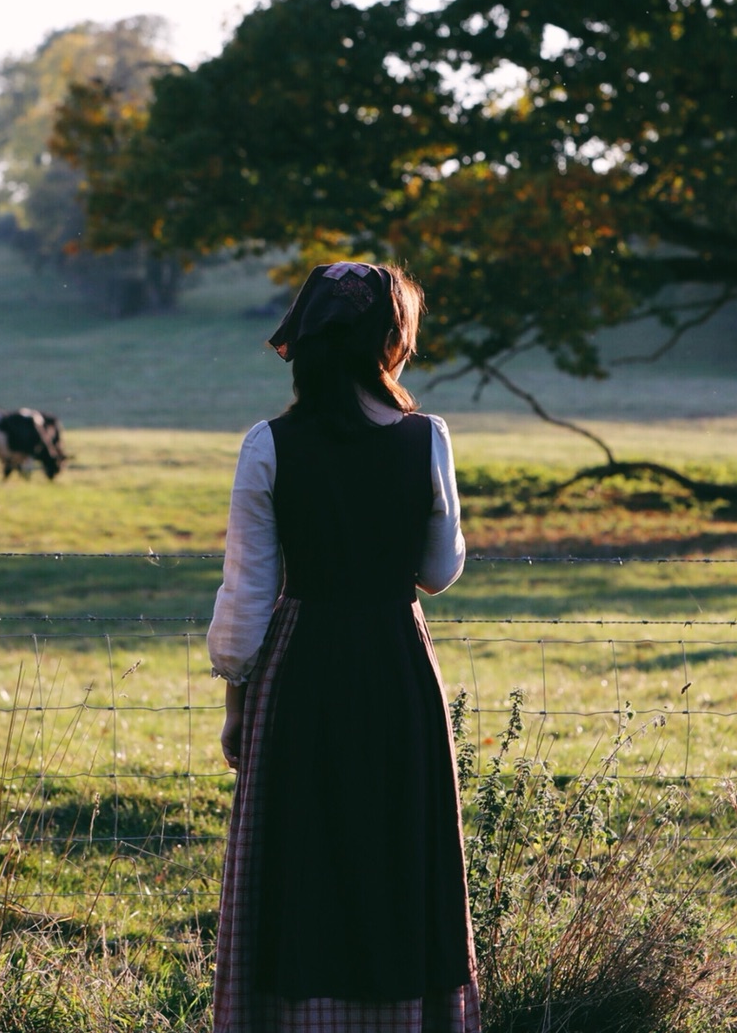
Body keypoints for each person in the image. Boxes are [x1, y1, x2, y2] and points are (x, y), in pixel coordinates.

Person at [208, 261, 479, 1033]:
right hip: (396, 663)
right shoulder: (427, 439)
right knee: (398, 850)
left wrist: (236, 705)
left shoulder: (269, 444)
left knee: (306, 856)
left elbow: (246, 600)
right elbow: (437, 570)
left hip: (301, 671)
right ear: (390, 341)